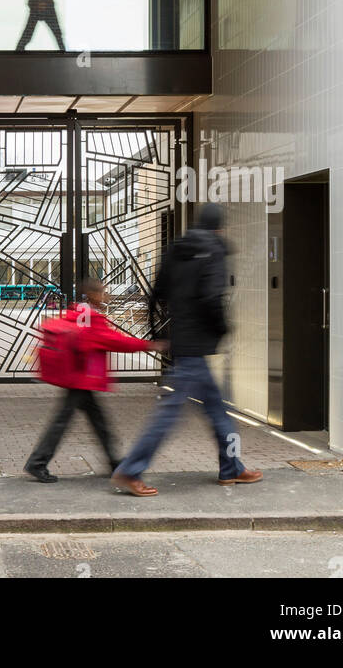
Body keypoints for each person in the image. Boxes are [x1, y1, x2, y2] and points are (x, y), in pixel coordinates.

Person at [111, 202, 263, 496]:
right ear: (219, 226)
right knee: (169, 413)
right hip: (196, 344)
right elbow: (211, 297)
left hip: (183, 340)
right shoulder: (215, 249)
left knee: (218, 408)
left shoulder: (176, 249)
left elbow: (157, 293)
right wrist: (222, 329)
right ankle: (130, 470)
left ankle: (231, 467)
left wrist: (162, 330)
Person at [24, 277, 166, 483]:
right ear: (92, 295)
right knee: (68, 422)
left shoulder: (76, 313)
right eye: (102, 291)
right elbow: (115, 340)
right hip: (81, 379)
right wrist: (148, 345)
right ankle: (37, 463)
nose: (105, 295)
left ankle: (113, 462)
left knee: (97, 421)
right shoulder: (91, 319)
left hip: (77, 377)